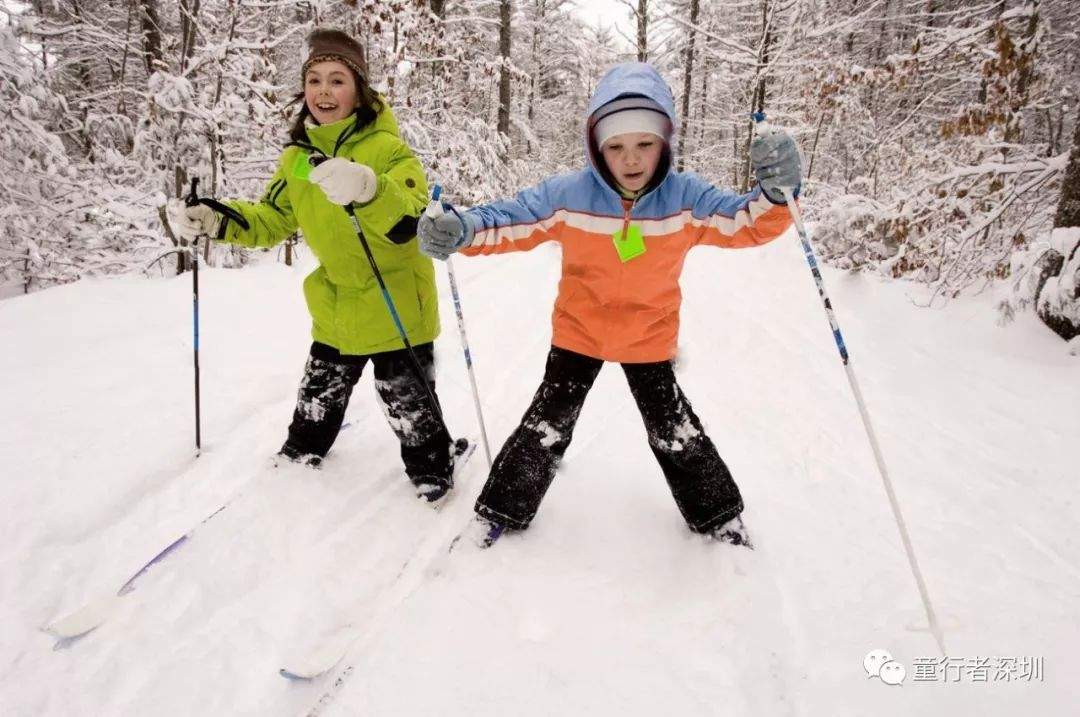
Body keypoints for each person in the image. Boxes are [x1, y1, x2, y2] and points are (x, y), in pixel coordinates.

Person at [417, 62, 802, 546]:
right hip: (579, 330)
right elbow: (511, 219)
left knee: (673, 429)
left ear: (665, 141)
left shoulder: (686, 198)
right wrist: (463, 228)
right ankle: (501, 511)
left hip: (649, 335)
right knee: (547, 424)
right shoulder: (569, 194)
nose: (631, 158)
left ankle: (718, 516)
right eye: (615, 146)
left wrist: (775, 194)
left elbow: (746, 222)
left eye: (644, 143)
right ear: (597, 149)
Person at [167, 28, 462, 501]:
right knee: (318, 396)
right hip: (337, 303)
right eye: (315, 80)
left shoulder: (388, 149)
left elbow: (411, 216)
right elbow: (272, 219)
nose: (324, 92)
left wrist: (367, 188)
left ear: (359, 89)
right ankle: (302, 453)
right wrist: (217, 219)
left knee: (407, 403)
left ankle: (434, 464)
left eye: (337, 80)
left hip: (397, 303)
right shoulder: (298, 159)